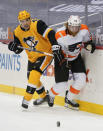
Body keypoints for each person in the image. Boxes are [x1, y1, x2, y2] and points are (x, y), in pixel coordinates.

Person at [8, 10, 62, 109]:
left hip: (46, 53)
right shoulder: (17, 32)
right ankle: (44, 97)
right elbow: (19, 49)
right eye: (22, 21)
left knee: (34, 73)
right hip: (32, 57)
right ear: (19, 22)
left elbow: (51, 33)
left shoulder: (37, 24)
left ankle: (26, 99)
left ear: (30, 18)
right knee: (30, 77)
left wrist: (55, 45)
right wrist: (14, 47)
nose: (25, 23)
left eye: (27, 20)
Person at [47, 15, 96, 110]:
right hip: (62, 59)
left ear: (79, 26)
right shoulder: (59, 34)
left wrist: (89, 45)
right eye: (72, 27)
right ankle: (50, 95)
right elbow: (53, 47)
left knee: (81, 80)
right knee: (62, 85)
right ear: (67, 25)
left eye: (76, 27)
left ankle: (69, 98)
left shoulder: (84, 30)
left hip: (75, 57)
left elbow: (87, 42)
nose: (74, 29)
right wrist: (57, 51)